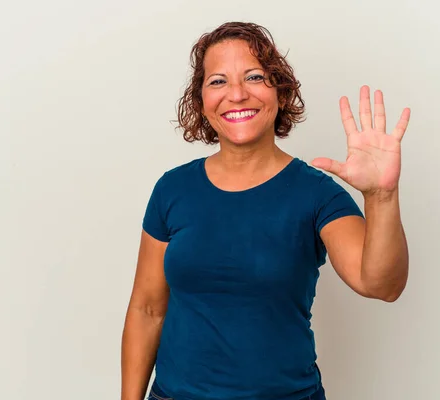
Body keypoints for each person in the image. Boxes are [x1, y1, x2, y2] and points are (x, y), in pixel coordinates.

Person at [121, 21, 410, 400]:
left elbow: (381, 285)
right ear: (201, 101)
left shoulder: (317, 193)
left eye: (254, 77)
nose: (237, 94)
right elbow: (146, 309)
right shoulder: (172, 189)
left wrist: (382, 196)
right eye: (218, 81)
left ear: (281, 92)